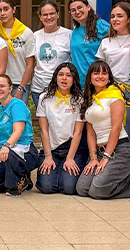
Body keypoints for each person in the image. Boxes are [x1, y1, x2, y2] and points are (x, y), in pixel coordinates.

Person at [76, 61, 130, 200]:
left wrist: (106, 156)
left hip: (119, 150)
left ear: (109, 77)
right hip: (99, 152)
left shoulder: (115, 95)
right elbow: (91, 132)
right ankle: (117, 176)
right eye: (96, 73)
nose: (100, 76)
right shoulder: (90, 99)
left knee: (97, 190)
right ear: (90, 77)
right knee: (82, 189)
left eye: (104, 73)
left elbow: (116, 128)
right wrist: (94, 157)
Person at [0, 74, 39, 196]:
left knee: (11, 189)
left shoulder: (17, 105)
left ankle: (16, 181)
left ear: (10, 88)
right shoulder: (0, 110)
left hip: (23, 151)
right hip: (5, 154)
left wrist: (7, 146)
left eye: (2, 86)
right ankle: (20, 180)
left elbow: (18, 130)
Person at [36, 63, 87, 195]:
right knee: (47, 188)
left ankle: (63, 173)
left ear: (74, 79)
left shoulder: (79, 99)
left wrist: (70, 158)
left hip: (70, 149)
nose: (64, 79)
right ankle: (53, 173)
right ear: (55, 77)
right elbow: (44, 130)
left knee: (69, 188)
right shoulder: (44, 98)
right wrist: (47, 156)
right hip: (50, 149)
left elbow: (78, 132)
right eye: (61, 75)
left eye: (68, 75)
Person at [96, 2, 130, 145]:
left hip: (129, 90)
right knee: (108, 129)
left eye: (120, 16)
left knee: (127, 129)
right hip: (109, 91)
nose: (115, 19)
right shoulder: (106, 42)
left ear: (128, 18)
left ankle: (128, 163)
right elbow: (100, 68)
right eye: (112, 16)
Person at [0, 0, 36, 106]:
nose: (2, 13)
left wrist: (21, 88)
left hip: (20, 83)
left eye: (6, 9)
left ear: (13, 10)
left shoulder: (26, 32)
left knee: (18, 118)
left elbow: (30, 64)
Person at [32, 1, 71, 104]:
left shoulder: (68, 35)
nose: (49, 17)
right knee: (43, 120)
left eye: (52, 13)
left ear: (58, 14)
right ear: (40, 17)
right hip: (38, 90)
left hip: (61, 89)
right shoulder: (34, 36)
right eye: (45, 14)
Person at [68, 0, 109, 84]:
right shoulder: (75, 31)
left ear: (88, 7)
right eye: (73, 10)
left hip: (98, 80)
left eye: (80, 8)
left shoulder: (101, 26)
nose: (77, 12)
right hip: (79, 81)